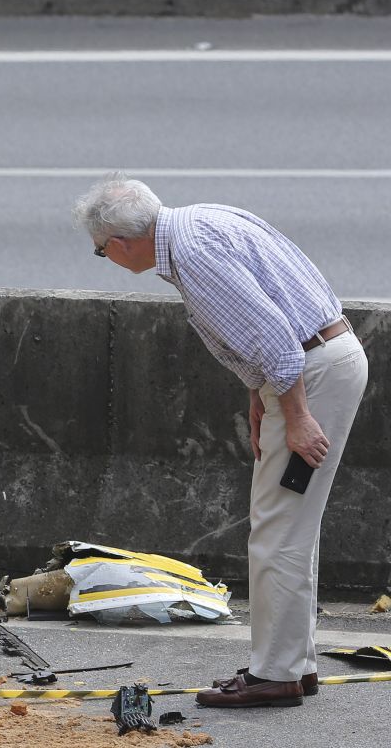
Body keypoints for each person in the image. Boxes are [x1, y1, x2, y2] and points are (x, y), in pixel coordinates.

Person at [74, 176, 368, 708]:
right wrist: (261, 394)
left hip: (309, 373)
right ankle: (292, 666)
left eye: (101, 251)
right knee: (291, 526)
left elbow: (277, 339)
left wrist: (296, 413)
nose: (106, 257)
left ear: (120, 242)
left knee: (277, 529)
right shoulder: (203, 220)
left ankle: (274, 674)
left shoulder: (193, 253)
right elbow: (281, 301)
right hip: (322, 357)